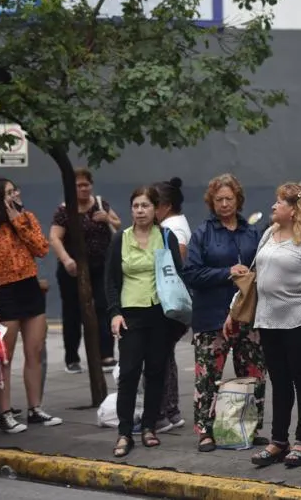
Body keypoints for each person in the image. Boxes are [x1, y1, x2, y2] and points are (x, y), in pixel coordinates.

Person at [182, 174, 267, 452]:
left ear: (238, 200)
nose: (224, 204)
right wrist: (226, 273)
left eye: (229, 198)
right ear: (211, 202)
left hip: (247, 314)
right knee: (208, 375)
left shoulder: (250, 231)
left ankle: (250, 426)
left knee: (253, 372)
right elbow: (192, 273)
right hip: (212, 315)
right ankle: (205, 431)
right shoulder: (202, 233)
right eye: (219, 199)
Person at [0, 178, 62, 433]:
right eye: (8, 193)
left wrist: (17, 221)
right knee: (4, 358)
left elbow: (42, 248)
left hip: (29, 288)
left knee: (35, 351)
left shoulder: (27, 219)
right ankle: (4, 413)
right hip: (4, 294)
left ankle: (35, 409)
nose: (15, 195)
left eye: (15, 191)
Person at [104, 185, 187, 457]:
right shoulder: (121, 239)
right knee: (128, 374)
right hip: (130, 315)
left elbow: (177, 273)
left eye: (145, 206)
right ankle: (125, 432)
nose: (140, 211)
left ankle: (149, 426)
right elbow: (111, 281)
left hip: (159, 313)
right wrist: (115, 312)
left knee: (155, 372)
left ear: (155, 210)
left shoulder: (165, 237)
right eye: (136, 206)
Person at [247, 183, 301, 469]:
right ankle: (278, 440)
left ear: (294, 210)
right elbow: (257, 271)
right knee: (279, 381)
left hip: (300, 321)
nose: (273, 206)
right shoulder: (269, 234)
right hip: (268, 319)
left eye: (279, 202)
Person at [48, 167, 121, 374]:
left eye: (86, 185)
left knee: (104, 307)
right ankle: (72, 358)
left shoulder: (100, 204)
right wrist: (66, 260)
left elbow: (118, 223)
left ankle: (106, 354)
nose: (83, 189)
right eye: (79, 185)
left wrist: (106, 219)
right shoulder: (64, 210)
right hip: (73, 270)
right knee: (72, 312)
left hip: (100, 267)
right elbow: (54, 238)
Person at [152, 177, 190, 433]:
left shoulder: (172, 228)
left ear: (164, 205)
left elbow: (179, 260)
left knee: (159, 357)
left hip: (167, 302)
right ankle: (172, 411)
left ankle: (163, 411)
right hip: (172, 303)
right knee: (165, 355)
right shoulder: (176, 223)